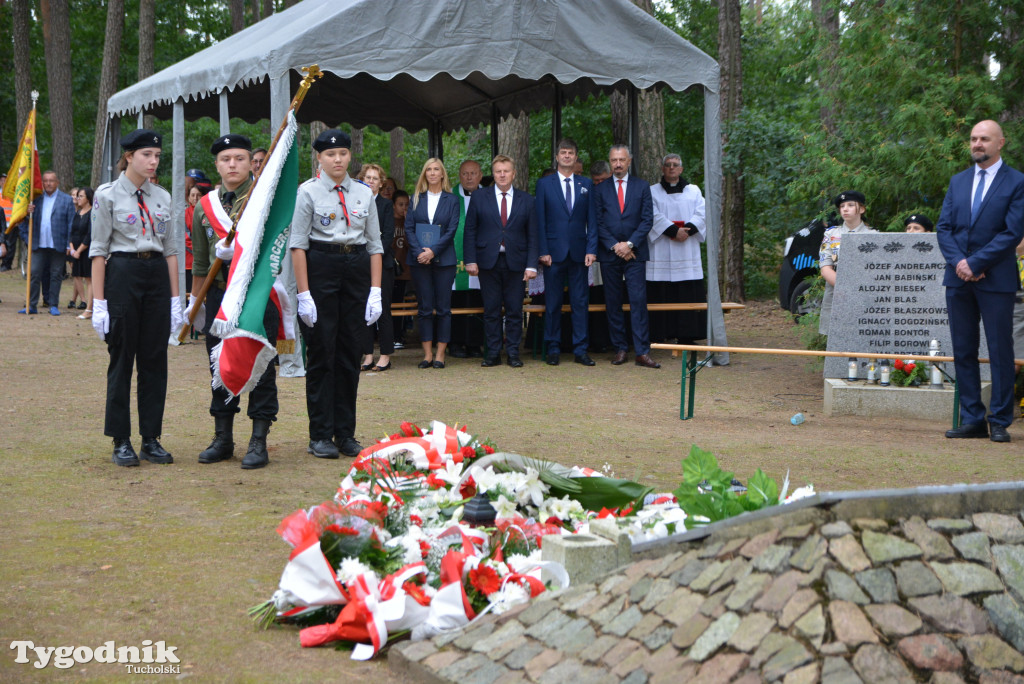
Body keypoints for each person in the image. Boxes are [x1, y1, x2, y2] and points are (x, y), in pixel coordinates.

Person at [90, 129, 183, 466]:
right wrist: (98, 303)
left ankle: (151, 438)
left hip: (156, 275)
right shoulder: (108, 195)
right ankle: (120, 439)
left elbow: (171, 250)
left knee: (155, 360)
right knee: (122, 358)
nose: (153, 161)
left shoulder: (162, 196)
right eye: (147, 155)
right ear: (129, 156)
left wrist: (176, 299)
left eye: (157, 156)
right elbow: (99, 250)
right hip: (123, 275)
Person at [187, 133, 280, 469]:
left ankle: (259, 441)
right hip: (218, 297)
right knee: (219, 365)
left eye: (239, 158)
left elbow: (275, 251)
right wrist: (194, 304)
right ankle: (223, 437)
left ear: (251, 163)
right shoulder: (204, 207)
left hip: (257, 295)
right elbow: (200, 262)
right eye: (226, 159)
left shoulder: (264, 200)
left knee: (262, 366)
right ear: (217, 165)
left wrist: (240, 253)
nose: (232, 165)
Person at [290, 129, 383, 459]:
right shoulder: (308, 192)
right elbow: (298, 245)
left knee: (349, 353)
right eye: (331, 154)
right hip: (321, 265)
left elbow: (375, 245)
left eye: (343, 153)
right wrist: (304, 293)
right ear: (319, 157)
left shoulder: (363, 192)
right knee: (321, 352)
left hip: (356, 267)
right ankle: (319, 434)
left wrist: (375, 290)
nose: (338, 159)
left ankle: (345, 433)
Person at [937, 119, 1024, 443]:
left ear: (1000, 143)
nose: (977, 144)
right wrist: (961, 263)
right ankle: (972, 418)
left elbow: (1012, 232)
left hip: (996, 279)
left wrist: (976, 262)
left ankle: (999, 420)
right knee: (963, 349)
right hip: (958, 279)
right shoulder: (958, 182)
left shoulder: (1016, 182)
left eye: (984, 139)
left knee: (1001, 351)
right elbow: (944, 228)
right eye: (973, 139)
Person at [465, 154, 538, 367]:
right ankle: (493, 353)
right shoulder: (479, 197)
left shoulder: (527, 200)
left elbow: (533, 234)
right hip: (488, 261)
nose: (502, 175)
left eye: (506, 171)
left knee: (515, 310)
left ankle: (514, 354)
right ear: (493, 174)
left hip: (516, 261)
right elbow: (470, 230)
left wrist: (532, 264)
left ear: (513, 174)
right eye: (498, 171)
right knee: (491, 310)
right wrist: (470, 259)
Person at [593, 144, 660, 368]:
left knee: (638, 301)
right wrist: (615, 246)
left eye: (622, 160)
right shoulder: (600, 190)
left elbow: (647, 220)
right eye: (614, 160)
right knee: (613, 302)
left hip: (635, 254)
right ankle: (620, 348)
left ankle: (642, 351)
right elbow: (598, 222)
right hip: (610, 253)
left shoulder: (642, 187)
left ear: (629, 161)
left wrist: (629, 244)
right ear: (610, 162)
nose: (618, 164)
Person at [535, 137, 598, 366]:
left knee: (580, 302)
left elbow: (592, 220)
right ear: (557, 156)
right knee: (552, 303)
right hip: (553, 253)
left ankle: (580, 349)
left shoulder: (586, 184)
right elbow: (539, 221)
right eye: (563, 152)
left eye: (571, 152)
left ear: (576, 156)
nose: (567, 156)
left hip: (580, 253)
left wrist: (592, 249)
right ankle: (553, 347)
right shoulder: (544, 184)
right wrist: (542, 250)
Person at [405, 158, 460, 369]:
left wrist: (434, 251)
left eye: (436, 169)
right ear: (424, 174)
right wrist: (421, 252)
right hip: (419, 260)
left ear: (443, 174)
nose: (433, 173)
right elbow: (409, 227)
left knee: (444, 308)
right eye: (429, 169)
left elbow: (451, 230)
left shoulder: (452, 200)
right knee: (425, 307)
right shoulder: (416, 198)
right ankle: (427, 354)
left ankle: (440, 354)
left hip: (444, 260)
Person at [647, 154, 708, 344]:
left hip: (686, 249)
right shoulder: (652, 192)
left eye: (675, 165)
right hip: (662, 249)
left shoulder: (694, 191)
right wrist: (673, 230)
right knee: (662, 292)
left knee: (686, 292)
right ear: (663, 169)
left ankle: (687, 335)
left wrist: (686, 231)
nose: (672, 168)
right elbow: (652, 214)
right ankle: (661, 334)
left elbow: (703, 212)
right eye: (668, 165)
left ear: (681, 169)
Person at [17, 170, 75, 315]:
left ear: (57, 182)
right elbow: (23, 221)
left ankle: (53, 304)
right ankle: (31, 305)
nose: (48, 183)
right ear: (42, 183)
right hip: (38, 244)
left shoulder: (66, 200)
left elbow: (71, 223)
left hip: (58, 244)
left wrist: (69, 244)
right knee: (34, 273)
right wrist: (27, 212)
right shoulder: (35, 199)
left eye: (51, 180)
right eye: (46, 181)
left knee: (56, 275)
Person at [818, 190, 876, 335]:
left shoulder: (874, 236)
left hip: (864, 292)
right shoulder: (831, 235)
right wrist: (845, 286)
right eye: (842, 206)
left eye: (850, 205)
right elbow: (825, 267)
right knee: (836, 336)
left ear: (861, 209)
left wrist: (857, 288)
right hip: (836, 290)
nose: (845, 209)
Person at [358, 163, 396, 372]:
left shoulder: (386, 205)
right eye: (368, 177)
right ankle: (367, 355)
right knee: (364, 310)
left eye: (375, 178)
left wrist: (372, 251)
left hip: (382, 264)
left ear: (381, 183)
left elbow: (388, 236)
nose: (371, 181)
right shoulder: (355, 203)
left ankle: (385, 355)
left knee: (382, 310)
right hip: (360, 264)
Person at [450, 159, 486, 358]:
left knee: (477, 300)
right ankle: (455, 343)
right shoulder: (450, 196)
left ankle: (475, 343)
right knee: (456, 300)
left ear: (480, 175)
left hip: (482, 258)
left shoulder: (489, 195)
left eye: (473, 173)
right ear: (459, 175)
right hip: (454, 259)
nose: (469, 177)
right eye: (465, 173)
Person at [391, 189, 411, 348]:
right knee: (389, 303)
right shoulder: (389, 221)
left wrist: (408, 223)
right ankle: (391, 336)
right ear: (393, 206)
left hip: (405, 270)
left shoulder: (409, 223)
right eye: (400, 204)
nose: (404, 207)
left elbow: (412, 245)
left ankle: (399, 335)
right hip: (390, 269)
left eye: (406, 204)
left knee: (401, 303)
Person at [70, 187, 94, 319]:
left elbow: (89, 235)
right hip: (76, 251)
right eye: (77, 196)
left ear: (88, 198)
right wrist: (72, 248)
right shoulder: (77, 213)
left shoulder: (92, 213)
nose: (77, 199)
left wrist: (79, 250)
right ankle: (84, 301)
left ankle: (90, 308)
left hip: (87, 251)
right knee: (76, 275)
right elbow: (72, 232)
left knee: (89, 278)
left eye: (81, 196)